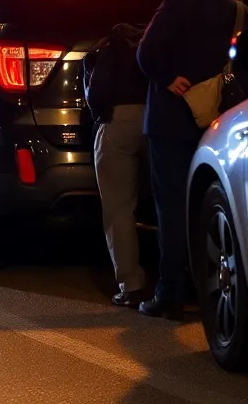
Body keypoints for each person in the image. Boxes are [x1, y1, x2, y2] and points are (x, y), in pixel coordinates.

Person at [135, 0, 248, 320]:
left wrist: (168, 77)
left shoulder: (174, 7)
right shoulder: (247, 17)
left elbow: (145, 54)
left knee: (172, 208)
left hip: (171, 125)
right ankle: (215, 291)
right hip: (224, 129)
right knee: (220, 208)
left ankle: (170, 292)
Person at [84, 22, 149, 308]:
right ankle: (178, 283)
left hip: (117, 123)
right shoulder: (155, 39)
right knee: (171, 205)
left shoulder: (108, 46)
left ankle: (131, 285)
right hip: (160, 121)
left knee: (119, 208)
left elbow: (96, 95)